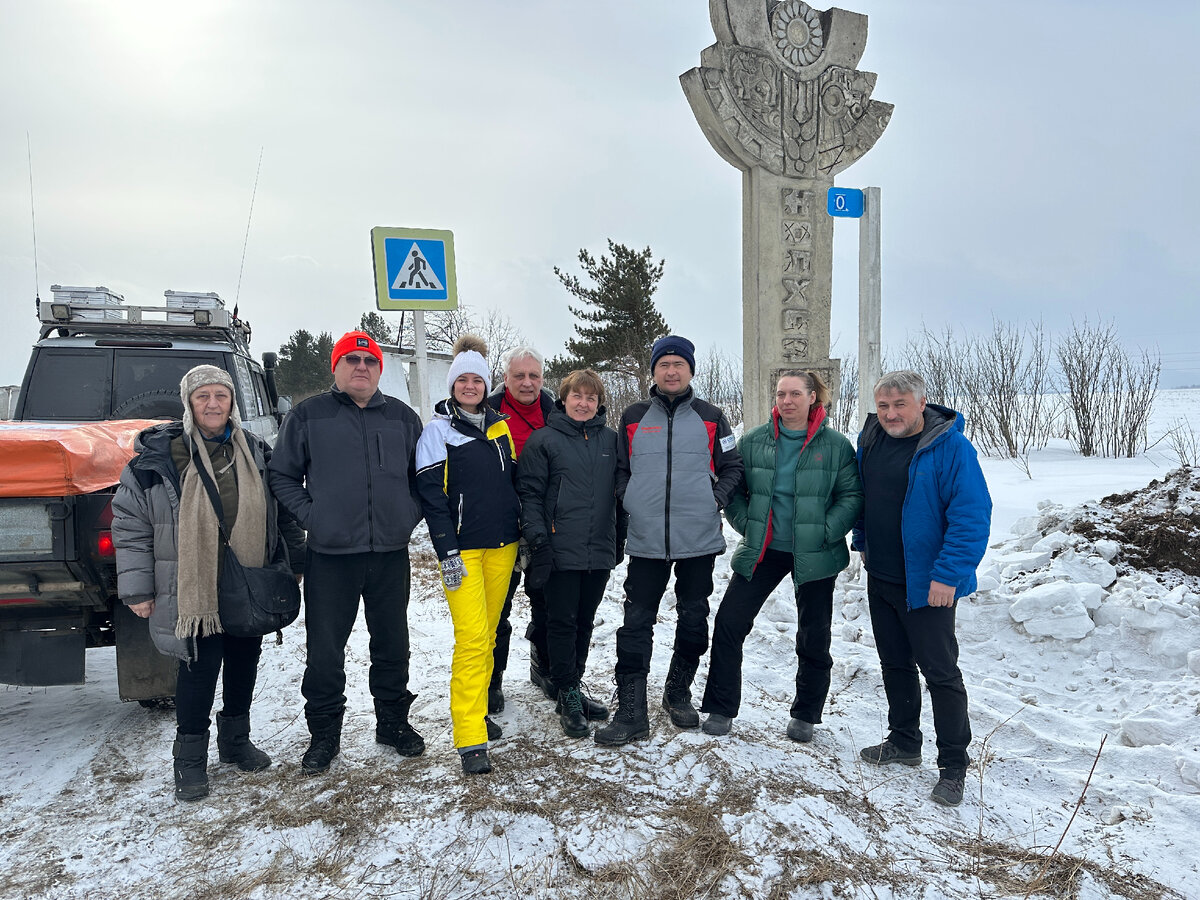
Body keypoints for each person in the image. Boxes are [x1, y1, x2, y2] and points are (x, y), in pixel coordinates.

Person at [113, 365, 306, 802]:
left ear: (232, 402)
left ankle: (235, 742)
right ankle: (190, 760)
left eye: (221, 395)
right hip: (192, 585)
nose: (214, 404)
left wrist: (295, 563)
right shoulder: (159, 459)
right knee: (198, 672)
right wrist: (139, 590)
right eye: (204, 397)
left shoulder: (255, 451)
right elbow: (130, 525)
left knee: (244, 663)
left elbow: (282, 511)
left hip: (248, 577)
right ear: (189, 403)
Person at [268, 331, 426, 775]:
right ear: (335, 367)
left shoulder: (401, 418)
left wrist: (406, 516)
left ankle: (393, 722)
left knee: (393, 643)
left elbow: (423, 479)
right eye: (351, 359)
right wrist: (313, 517)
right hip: (331, 556)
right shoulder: (308, 416)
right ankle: (324, 735)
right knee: (325, 650)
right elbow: (281, 477)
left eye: (370, 360)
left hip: (388, 554)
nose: (362, 366)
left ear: (379, 369)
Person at [595, 335, 744, 746]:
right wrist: (630, 498)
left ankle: (678, 693)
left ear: (690, 370)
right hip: (646, 539)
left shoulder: (714, 416)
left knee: (694, 619)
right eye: (664, 364)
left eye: (679, 364)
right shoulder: (633, 415)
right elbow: (620, 470)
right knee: (636, 622)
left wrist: (714, 498)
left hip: (697, 538)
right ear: (654, 370)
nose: (672, 371)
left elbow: (734, 466)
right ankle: (631, 712)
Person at [853, 370, 991, 807]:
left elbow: (972, 514)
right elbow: (864, 496)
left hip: (928, 583)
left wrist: (948, 575)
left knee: (941, 674)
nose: (891, 414)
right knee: (894, 663)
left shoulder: (949, 447)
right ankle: (904, 742)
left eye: (900, 405)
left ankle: (953, 766)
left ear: (922, 402)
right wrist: (862, 541)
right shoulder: (871, 438)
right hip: (883, 574)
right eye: (883, 405)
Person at [699, 371, 863, 739]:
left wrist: (824, 531)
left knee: (814, 635)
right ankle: (721, 709)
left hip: (817, 551)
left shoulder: (836, 446)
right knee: (729, 624)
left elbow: (851, 497)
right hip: (764, 550)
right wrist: (748, 525)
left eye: (794, 394)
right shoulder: (755, 441)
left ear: (812, 398)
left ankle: (806, 714)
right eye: (780, 394)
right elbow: (733, 488)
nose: (786, 401)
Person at [416, 334, 521, 775]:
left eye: (478, 380)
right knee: (473, 638)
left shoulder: (500, 427)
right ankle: (469, 736)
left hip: (503, 547)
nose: (471, 386)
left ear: (486, 385)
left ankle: (477, 711)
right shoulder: (437, 431)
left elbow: (511, 483)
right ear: (453, 385)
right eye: (464, 380)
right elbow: (430, 496)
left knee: (491, 631)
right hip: (463, 552)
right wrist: (447, 552)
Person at [517, 369, 618, 738]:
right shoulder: (544, 441)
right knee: (562, 622)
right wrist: (539, 540)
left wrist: (618, 540)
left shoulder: (612, 440)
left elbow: (619, 495)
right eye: (577, 396)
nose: (584, 403)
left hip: (599, 549)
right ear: (563, 399)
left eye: (591, 398)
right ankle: (567, 694)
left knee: (586, 622)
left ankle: (573, 685)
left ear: (599, 403)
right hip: (558, 549)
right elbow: (529, 495)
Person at [484, 346, 556, 715]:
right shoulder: (487, 409)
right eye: (519, 376)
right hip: (502, 522)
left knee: (547, 601)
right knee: (497, 607)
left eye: (534, 376)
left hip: (546, 521)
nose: (527, 383)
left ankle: (543, 668)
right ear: (506, 377)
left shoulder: (555, 411)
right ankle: (492, 681)